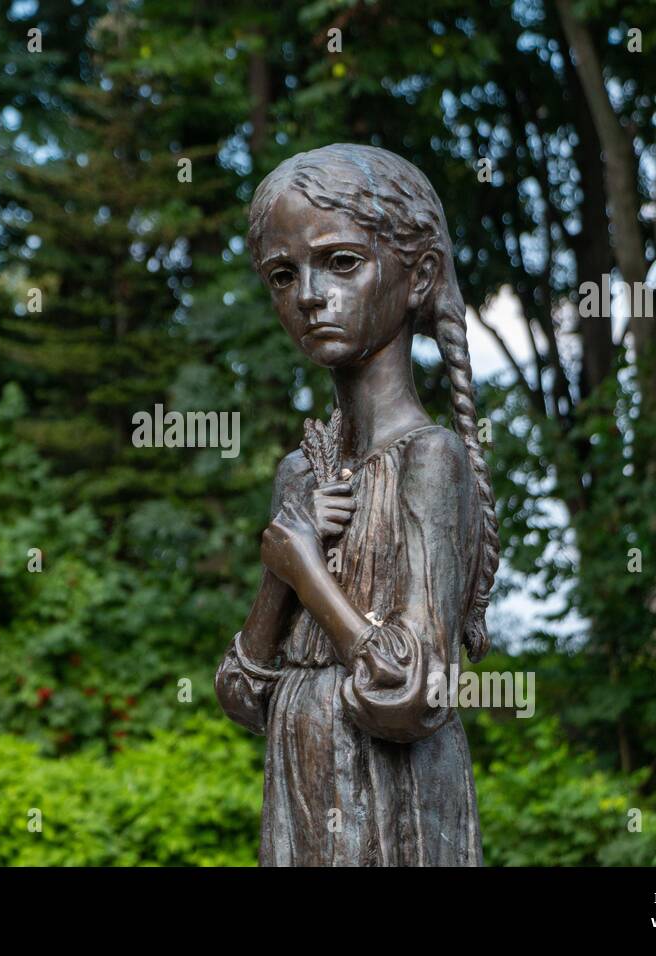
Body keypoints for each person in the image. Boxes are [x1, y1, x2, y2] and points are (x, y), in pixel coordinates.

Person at [214, 145, 498, 866]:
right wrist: (280, 575)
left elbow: (411, 696)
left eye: (341, 262)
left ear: (419, 276)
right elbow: (245, 695)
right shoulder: (298, 474)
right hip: (301, 783)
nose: (309, 294)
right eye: (283, 275)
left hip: (391, 799)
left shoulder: (431, 461)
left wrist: (306, 572)